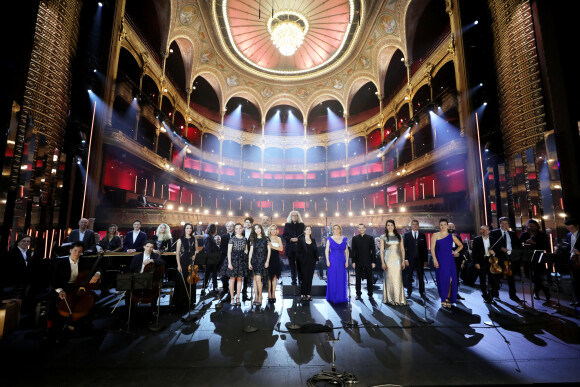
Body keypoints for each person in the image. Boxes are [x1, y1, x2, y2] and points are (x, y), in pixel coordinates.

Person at [47, 242, 101, 334]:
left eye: (80, 251)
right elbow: (54, 280)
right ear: (70, 250)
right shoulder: (61, 263)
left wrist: (97, 274)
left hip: (80, 286)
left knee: (94, 300)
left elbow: (98, 268)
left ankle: (80, 322)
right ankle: (50, 325)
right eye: (75, 251)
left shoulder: (85, 261)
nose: (77, 253)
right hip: (64, 286)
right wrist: (60, 291)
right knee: (51, 300)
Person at [431, 218, 463, 309]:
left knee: (450, 280)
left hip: (450, 260)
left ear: (447, 226)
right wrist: (435, 260)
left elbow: (461, 245)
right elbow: (432, 248)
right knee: (443, 280)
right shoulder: (435, 235)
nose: (443, 226)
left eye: (445, 224)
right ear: (439, 226)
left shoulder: (451, 236)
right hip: (440, 260)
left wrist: (455, 251)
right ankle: (443, 298)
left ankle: (447, 298)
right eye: (441, 225)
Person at [490, 217, 521, 302]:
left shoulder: (513, 234)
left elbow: (517, 245)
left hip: (511, 257)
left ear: (508, 225)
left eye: (506, 223)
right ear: (499, 224)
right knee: (497, 277)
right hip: (500, 257)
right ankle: (495, 295)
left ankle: (513, 295)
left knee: (511, 277)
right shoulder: (494, 233)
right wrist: (501, 248)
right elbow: (491, 244)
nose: (504, 225)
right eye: (502, 223)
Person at [2, 235, 37, 308]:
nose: (25, 243)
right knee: (14, 305)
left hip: (25, 283)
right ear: (18, 242)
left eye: (28, 241)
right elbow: (9, 269)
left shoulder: (29, 252)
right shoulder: (12, 252)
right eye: (23, 241)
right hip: (14, 283)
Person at [519, 219, 551, 301]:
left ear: (537, 226)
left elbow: (546, 246)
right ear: (527, 226)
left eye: (534, 225)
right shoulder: (524, 234)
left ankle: (536, 292)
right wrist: (525, 243)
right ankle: (544, 289)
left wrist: (535, 244)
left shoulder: (542, 235)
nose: (532, 227)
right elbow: (518, 244)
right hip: (527, 257)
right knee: (527, 274)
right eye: (530, 225)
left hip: (538, 258)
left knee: (538, 276)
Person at [380, 220, 407, 305]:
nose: (390, 226)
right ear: (386, 226)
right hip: (388, 260)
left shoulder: (399, 236)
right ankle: (390, 299)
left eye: (391, 225)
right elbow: (381, 250)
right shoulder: (383, 237)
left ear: (394, 226)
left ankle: (399, 299)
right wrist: (383, 262)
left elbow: (402, 249)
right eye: (388, 225)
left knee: (398, 278)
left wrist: (403, 260)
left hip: (398, 260)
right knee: (389, 278)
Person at [173, 223, 198, 310]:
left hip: (191, 262)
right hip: (183, 261)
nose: (189, 230)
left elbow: (197, 250)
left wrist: (195, 254)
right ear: (184, 229)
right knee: (182, 281)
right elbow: (177, 254)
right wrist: (179, 265)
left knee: (191, 281)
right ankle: (180, 302)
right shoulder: (180, 239)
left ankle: (190, 301)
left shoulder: (194, 239)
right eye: (187, 228)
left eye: (190, 228)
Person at [403, 220, 428, 300]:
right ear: (411, 226)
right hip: (410, 260)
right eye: (413, 224)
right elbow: (404, 248)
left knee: (421, 277)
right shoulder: (406, 235)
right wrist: (405, 259)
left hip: (420, 260)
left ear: (418, 225)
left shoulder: (422, 235)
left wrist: (425, 260)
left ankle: (422, 293)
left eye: (416, 224)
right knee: (409, 277)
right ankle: (409, 293)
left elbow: (425, 249)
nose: (414, 226)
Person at [472, 225, 498, 303]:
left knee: (492, 279)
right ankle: (484, 295)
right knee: (482, 279)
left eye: (486, 230)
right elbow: (474, 252)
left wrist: (494, 253)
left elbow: (497, 252)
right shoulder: (476, 240)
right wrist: (476, 262)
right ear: (480, 231)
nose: (485, 231)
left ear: (489, 231)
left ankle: (491, 295)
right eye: (483, 230)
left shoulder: (493, 240)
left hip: (491, 261)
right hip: (481, 261)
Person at [225, 223, 248, 305]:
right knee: (232, 279)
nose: (238, 230)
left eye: (240, 228)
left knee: (239, 279)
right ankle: (232, 298)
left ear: (242, 229)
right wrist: (229, 263)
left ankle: (238, 297)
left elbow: (246, 250)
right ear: (235, 230)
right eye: (237, 228)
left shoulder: (245, 239)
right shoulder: (232, 239)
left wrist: (245, 255)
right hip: (233, 259)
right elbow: (229, 252)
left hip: (241, 260)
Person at [351, 224, 376, 300]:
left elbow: (373, 250)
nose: (361, 229)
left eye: (362, 228)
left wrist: (373, 261)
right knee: (358, 279)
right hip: (358, 261)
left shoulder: (370, 238)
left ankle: (370, 294)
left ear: (365, 229)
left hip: (368, 261)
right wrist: (353, 262)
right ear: (358, 229)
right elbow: (353, 251)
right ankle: (358, 294)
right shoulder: (354, 238)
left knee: (369, 278)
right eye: (359, 228)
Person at [325, 224, 348, 303]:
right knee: (332, 278)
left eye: (337, 228)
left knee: (341, 278)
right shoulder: (329, 239)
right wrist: (327, 260)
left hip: (342, 260)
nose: (336, 230)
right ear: (332, 230)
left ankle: (340, 296)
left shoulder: (344, 239)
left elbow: (346, 251)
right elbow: (327, 250)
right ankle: (332, 296)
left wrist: (347, 261)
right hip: (332, 260)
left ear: (340, 229)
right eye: (334, 229)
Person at [248, 224, 270, 306]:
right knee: (254, 279)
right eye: (255, 229)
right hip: (254, 261)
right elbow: (250, 252)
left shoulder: (266, 238)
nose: (257, 230)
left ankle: (260, 297)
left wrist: (267, 261)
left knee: (258, 279)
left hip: (262, 261)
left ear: (261, 229)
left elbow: (269, 251)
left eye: (258, 228)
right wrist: (249, 262)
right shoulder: (253, 239)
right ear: (254, 231)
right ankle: (256, 297)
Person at [283, 211, 305, 286]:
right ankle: (293, 279)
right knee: (292, 265)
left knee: (300, 265)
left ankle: (301, 279)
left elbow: (304, 235)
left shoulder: (302, 225)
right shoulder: (287, 225)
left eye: (296, 216)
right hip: (290, 248)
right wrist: (290, 239)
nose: (294, 217)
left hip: (300, 248)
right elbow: (284, 235)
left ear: (298, 217)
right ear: (290, 217)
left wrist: (299, 239)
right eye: (293, 216)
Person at [297, 225, 318, 301]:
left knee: (310, 278)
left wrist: (316, 259)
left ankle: (308, 293)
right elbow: (298, 252)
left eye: (310, 229)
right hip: (303, 262)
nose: (309, 230)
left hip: (312, 261)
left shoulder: (313, 240)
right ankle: (303, 294)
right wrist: (301, 260)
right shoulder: (301, 240)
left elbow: (315, 250)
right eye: (307, 229)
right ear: (304, 231)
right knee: (304, 277)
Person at [563, 218, 580, 306]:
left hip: (579, 260)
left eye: (572, 228)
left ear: (577, 226)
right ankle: (577, 300)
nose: (570, 230)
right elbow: (568, 248)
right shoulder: (568, 235)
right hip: (573, 261)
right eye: (568, 228)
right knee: (575, 282)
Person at [447, 222, 466, 301]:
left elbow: (462, 248)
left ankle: (455, 293)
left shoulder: (458, 237)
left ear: (454, 228)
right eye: (449, 226)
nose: (451, 227)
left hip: (456, 261)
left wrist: (458, 254)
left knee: (456, 278)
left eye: (452, 226)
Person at [219, 221, 235, 301]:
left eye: (231, 226)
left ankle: (232, 291)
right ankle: (225, 288)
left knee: (233, 275)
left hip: (234, 257)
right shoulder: (224, 236)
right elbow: (222, 248)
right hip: (225, 257)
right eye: (228, 226)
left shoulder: (237, 235)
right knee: (224, 275)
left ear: (234, 227)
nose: (229, 228)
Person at [266, 224, 283, 303]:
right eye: (271, 229)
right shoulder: (267, 238)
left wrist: (272, 246)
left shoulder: (278, 238)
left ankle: (273, 294)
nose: (273, 231)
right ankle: (269, 294)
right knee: (269, 277)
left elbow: (281, 248)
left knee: (275, 277)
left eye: (274, 229)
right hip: (268, 259)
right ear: (269, 230)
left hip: (276, 259)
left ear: (276, 230)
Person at [202, 223, 220, 294]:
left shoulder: (208, 236)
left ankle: (211, 287)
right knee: (210, 274)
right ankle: (211, 288)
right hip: (211, 259)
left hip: (211, 258)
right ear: (214, 230)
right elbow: (208, 249)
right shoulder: (208, 237)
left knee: (210, 274)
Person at [241, 216, 254, 301]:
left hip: (252, 255)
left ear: (252, 224)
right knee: (244, 274)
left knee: (251, 273)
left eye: (249, 222)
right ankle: (244, 292)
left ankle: (254, 293)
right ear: (244, 223)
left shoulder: (254, 232)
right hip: (242, 255)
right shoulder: (240, 232)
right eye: (246, 222)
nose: (248, 223)